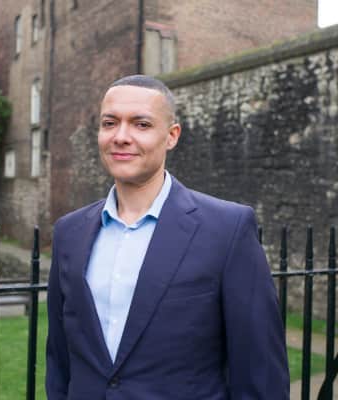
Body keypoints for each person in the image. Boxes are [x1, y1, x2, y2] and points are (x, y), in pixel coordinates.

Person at [46, 75, 290, 399]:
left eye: (141, 124)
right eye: (110, 123)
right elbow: (60, 360)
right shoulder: (69, 233)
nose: (121, 137)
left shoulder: (227, 230)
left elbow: (260, 373)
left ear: (171, 136)